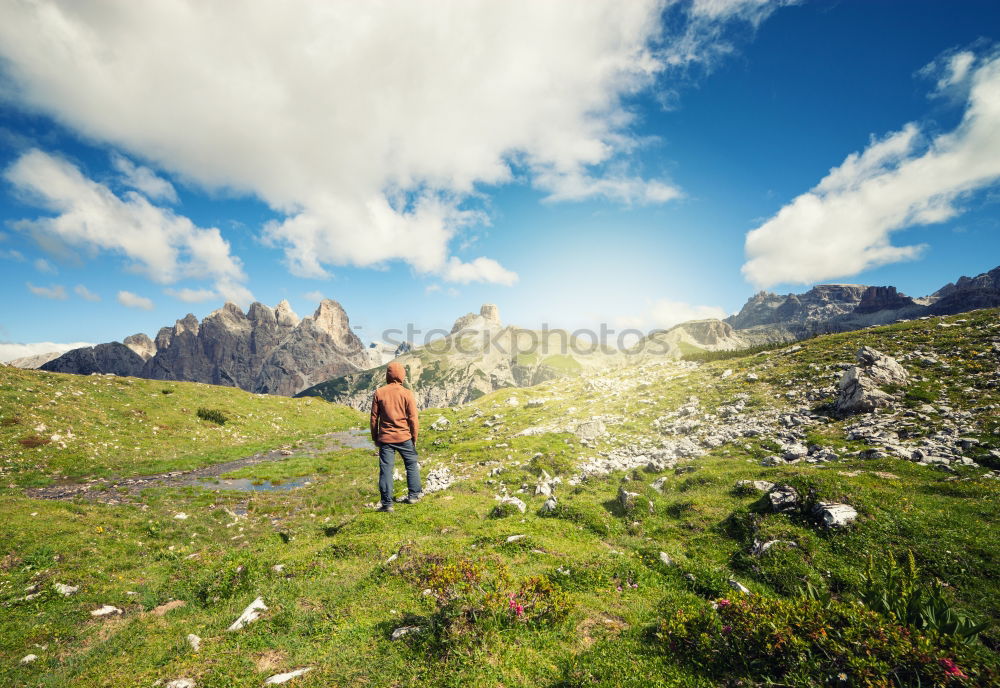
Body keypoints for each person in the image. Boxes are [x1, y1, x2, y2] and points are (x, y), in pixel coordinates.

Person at [370, 361, 421, 512]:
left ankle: (387, 504)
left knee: (386, 469)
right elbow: (413, 418)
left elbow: (374, 418)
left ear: (388, 375)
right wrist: (414, 437)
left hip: (385, 438)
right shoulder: (407, 393)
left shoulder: (379, 392)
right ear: (402, 375)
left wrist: (375, 437)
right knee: (411, 465)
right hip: (404, 437)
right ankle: (414, 496)